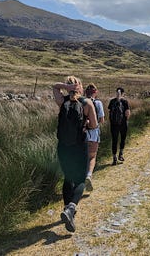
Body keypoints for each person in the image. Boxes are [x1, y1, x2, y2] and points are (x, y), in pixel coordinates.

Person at [52, 76, 97, 233]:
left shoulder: (62, 101)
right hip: (79, 146)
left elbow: (54, 86)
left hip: (63, 146)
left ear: (68, 87)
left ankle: (67, 210)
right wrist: (86, 124)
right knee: (80, 179)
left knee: (68, 178)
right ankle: (71, 209)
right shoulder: (87, 103)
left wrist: (65, 86)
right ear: (79, 86)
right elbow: (94, 125)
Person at [84, 83, 105, 192]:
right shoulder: (98, 103)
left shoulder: (80, 102)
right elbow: (101, 120)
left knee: (82, 156)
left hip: (81, 133)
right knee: (92, 156)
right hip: (93, 133)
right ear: (95, 92)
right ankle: (88, 175)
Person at [108, 87, 131, 165]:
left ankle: (114, 158)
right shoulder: (125, 102)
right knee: (122, 139)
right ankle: (120, 155)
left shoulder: (112, 101)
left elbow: (109, 112)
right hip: (123, 124)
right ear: (123, 93)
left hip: (113, 125)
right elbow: (127, 113)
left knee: (114, 141)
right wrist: (126, 120)